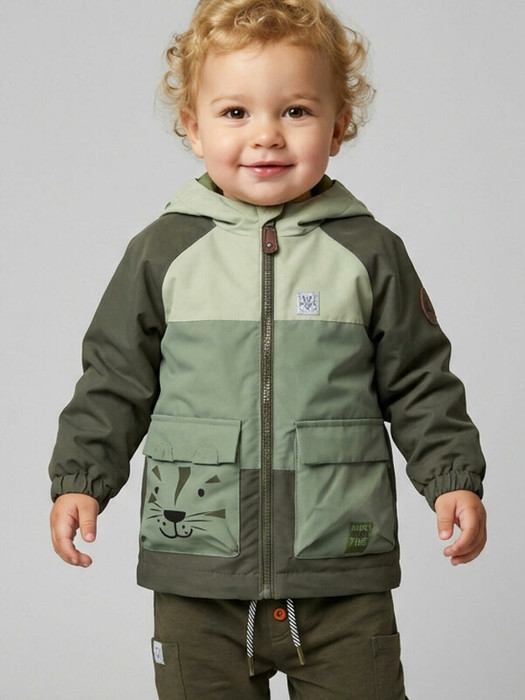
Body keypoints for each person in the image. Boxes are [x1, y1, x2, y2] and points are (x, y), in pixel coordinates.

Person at [49, 0, 487, 697]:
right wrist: (82, 477)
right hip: (200, 571)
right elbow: (113, 379)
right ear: (192, 126)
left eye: (295, 111)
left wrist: (452, 475)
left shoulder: (369, 252)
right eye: (235, 112)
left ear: (338, 126)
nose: (266, 136)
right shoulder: (162, 252)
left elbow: (419, 380)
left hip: (339, 566)